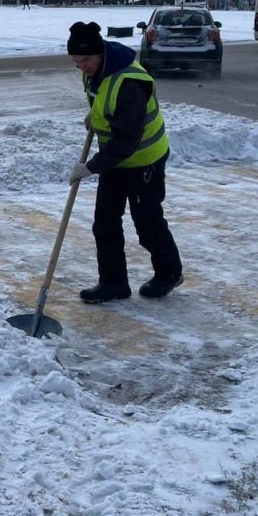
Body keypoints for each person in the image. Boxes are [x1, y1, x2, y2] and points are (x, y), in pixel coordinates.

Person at [66, 21, 183, 304]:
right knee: (104, 222)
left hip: (144, 161)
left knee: (147, 222)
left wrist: (91, 167)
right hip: (115, 159)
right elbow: (104, 103)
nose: (81, 66)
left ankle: (169, 273)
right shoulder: (95, 71)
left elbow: (127, 140)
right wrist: (94, 119)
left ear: (100, 54)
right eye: (76, 61)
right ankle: (113, 283)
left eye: (85, 59)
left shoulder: (130, 81)